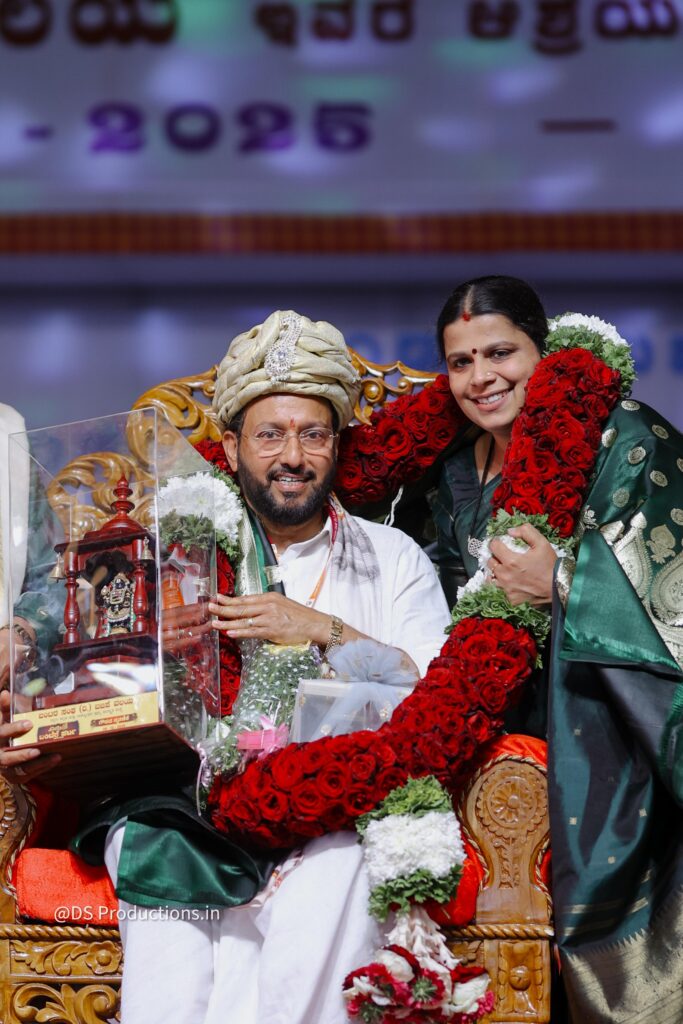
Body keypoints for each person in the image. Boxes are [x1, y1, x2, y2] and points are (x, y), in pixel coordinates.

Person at [2, 312, 451, 1024]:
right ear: (233, 444)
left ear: (337, 445)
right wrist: (42, 698)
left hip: (335, 802)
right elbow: (87, 680)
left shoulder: (391, 556)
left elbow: (434, 692)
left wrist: (323, 629)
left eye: (312, 434)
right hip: (183, 803)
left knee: (332, 871)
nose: (292, 456)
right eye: (270, 435)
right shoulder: (170, 552)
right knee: (154, 864)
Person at [342, 275, 683, 1024]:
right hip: (468, 713)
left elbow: (673, 591)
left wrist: (562, 582)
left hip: (599, 717)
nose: (481, 377)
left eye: (500, 353)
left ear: (544, 353)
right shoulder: (445, 469)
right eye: (460, 362)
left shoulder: (623, 439)